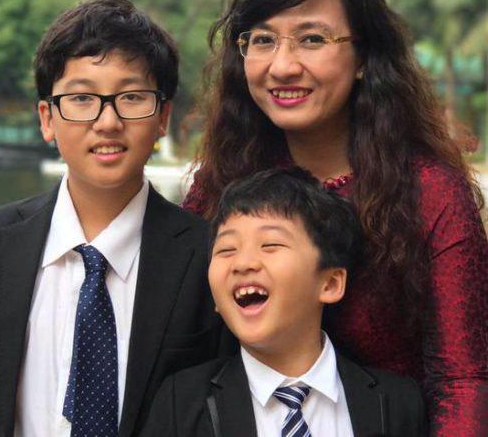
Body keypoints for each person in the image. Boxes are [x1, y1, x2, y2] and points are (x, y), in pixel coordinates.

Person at [0, 0, 488, 433]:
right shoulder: (226, 181)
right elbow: (173, 298)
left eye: (313, 39)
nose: (283, 65)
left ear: (364, 56)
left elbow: (463, 378)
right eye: (262, 40)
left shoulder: (429, 193)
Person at [0, 0, 231, 437]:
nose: (107, 121)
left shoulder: (206, 255)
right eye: (82, 98)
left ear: (162, 117)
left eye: (131, 97)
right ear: (47, 118)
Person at [141, 168, 427, 436]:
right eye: (226, 249)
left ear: (330, 284)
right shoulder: (181, 403)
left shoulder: (397, 403)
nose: (243, 263)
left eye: (270, 245)